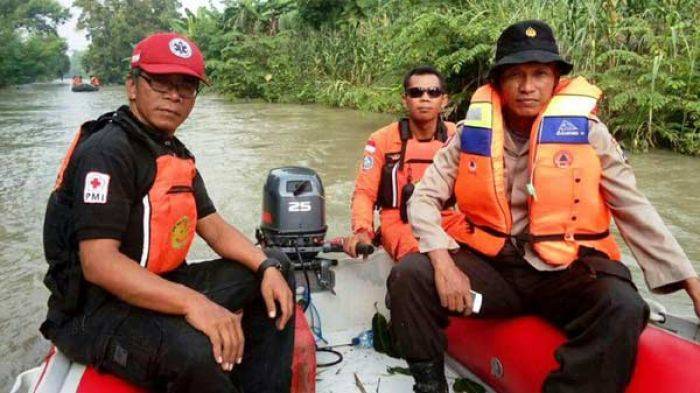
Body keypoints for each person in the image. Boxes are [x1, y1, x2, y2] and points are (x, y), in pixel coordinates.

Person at [387, 20, 700, 393]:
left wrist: (691, 284)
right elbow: (424, 197)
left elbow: (633, 208)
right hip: (494, 267)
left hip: (564, 269)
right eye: (516, 75)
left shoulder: (589, 132)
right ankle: (429, 383)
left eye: (539, 74)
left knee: (624, 306)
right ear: (499, 83)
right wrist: (441, 262)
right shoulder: (471, 133)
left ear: (556, 81)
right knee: (410, 275)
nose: (527, 86)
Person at [40, 32, 295, 392]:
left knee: (278, 267)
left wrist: (266, 266)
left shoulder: (173, 152)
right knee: (194, 352)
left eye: (186, 87)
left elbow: (215, 229)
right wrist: (195, 304)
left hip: (161, 284)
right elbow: (98, 263)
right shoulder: (108, 152)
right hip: (95, 311)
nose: (174, 96)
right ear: (132, 86)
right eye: (160, 82)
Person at [345, 66, 468, 261]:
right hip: (399, 220)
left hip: (445, 217)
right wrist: (362, 230)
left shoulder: (459, 136)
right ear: (405, 99)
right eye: (416, 92)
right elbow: (364, 192)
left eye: (433, 92)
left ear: (444, 100)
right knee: (419, 257)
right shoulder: (381, 140)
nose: (425, 98)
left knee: (483, 247)